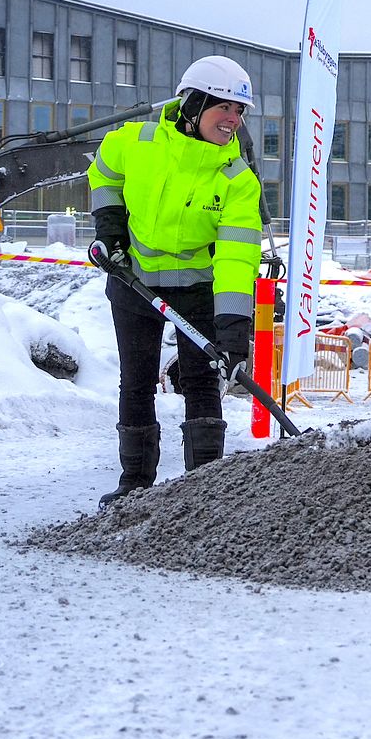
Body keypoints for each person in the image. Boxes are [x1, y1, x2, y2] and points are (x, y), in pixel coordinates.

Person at [88, 55, 263, 508]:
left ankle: (202, 491)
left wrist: (232, 333)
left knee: (202, 383)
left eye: (239, 111)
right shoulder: (136, 141)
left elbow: (235, 257)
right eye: (223, 107)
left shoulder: (237, 179)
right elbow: (104, 173)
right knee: (137, 381)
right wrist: (109, 231)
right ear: (192, 103)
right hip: (134, 281)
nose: (233, 120)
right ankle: (135, 485)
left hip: (198, 291)